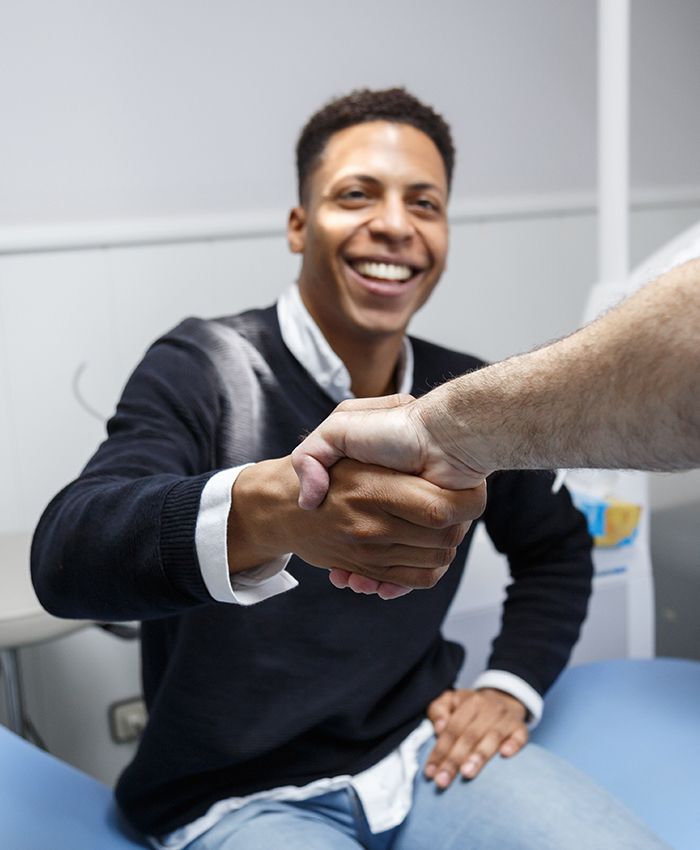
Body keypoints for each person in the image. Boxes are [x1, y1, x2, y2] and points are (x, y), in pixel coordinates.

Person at [31, 88, 667, 849]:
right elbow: (67, 555)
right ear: (299, 225)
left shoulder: (460, 396)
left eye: (424, 204)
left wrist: (509, 686)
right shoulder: (202, 368)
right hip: (235, 797)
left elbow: (557, 549)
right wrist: (277, 513)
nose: (395, 225)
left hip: (419, 751)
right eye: (356, 194)